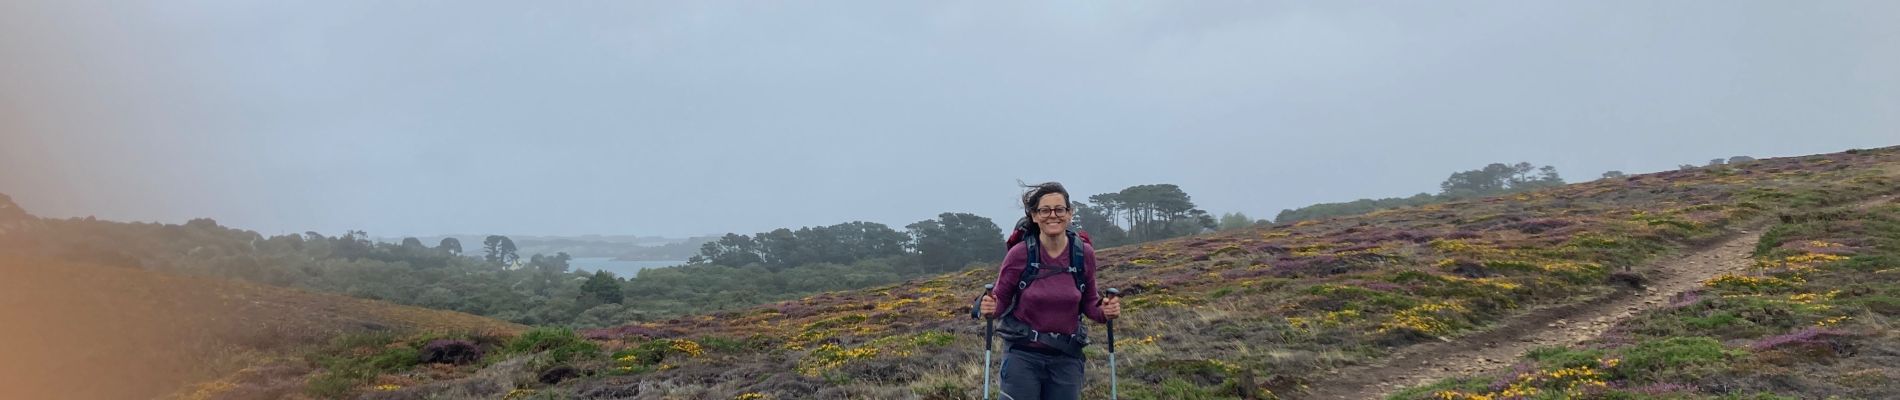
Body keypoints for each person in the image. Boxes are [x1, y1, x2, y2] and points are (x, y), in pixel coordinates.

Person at [978, 182, 1121, 400]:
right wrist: (989, 307)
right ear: (1034, 216)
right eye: (1044, 210)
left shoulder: (1083, 254)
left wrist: (1106, 311)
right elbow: (1001, 301)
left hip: (1066, 359)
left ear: (1069, 214)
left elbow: (1090, 303)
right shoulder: (1020, 254)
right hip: (1022, 358)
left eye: (1059, 209)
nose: (1052, 215)